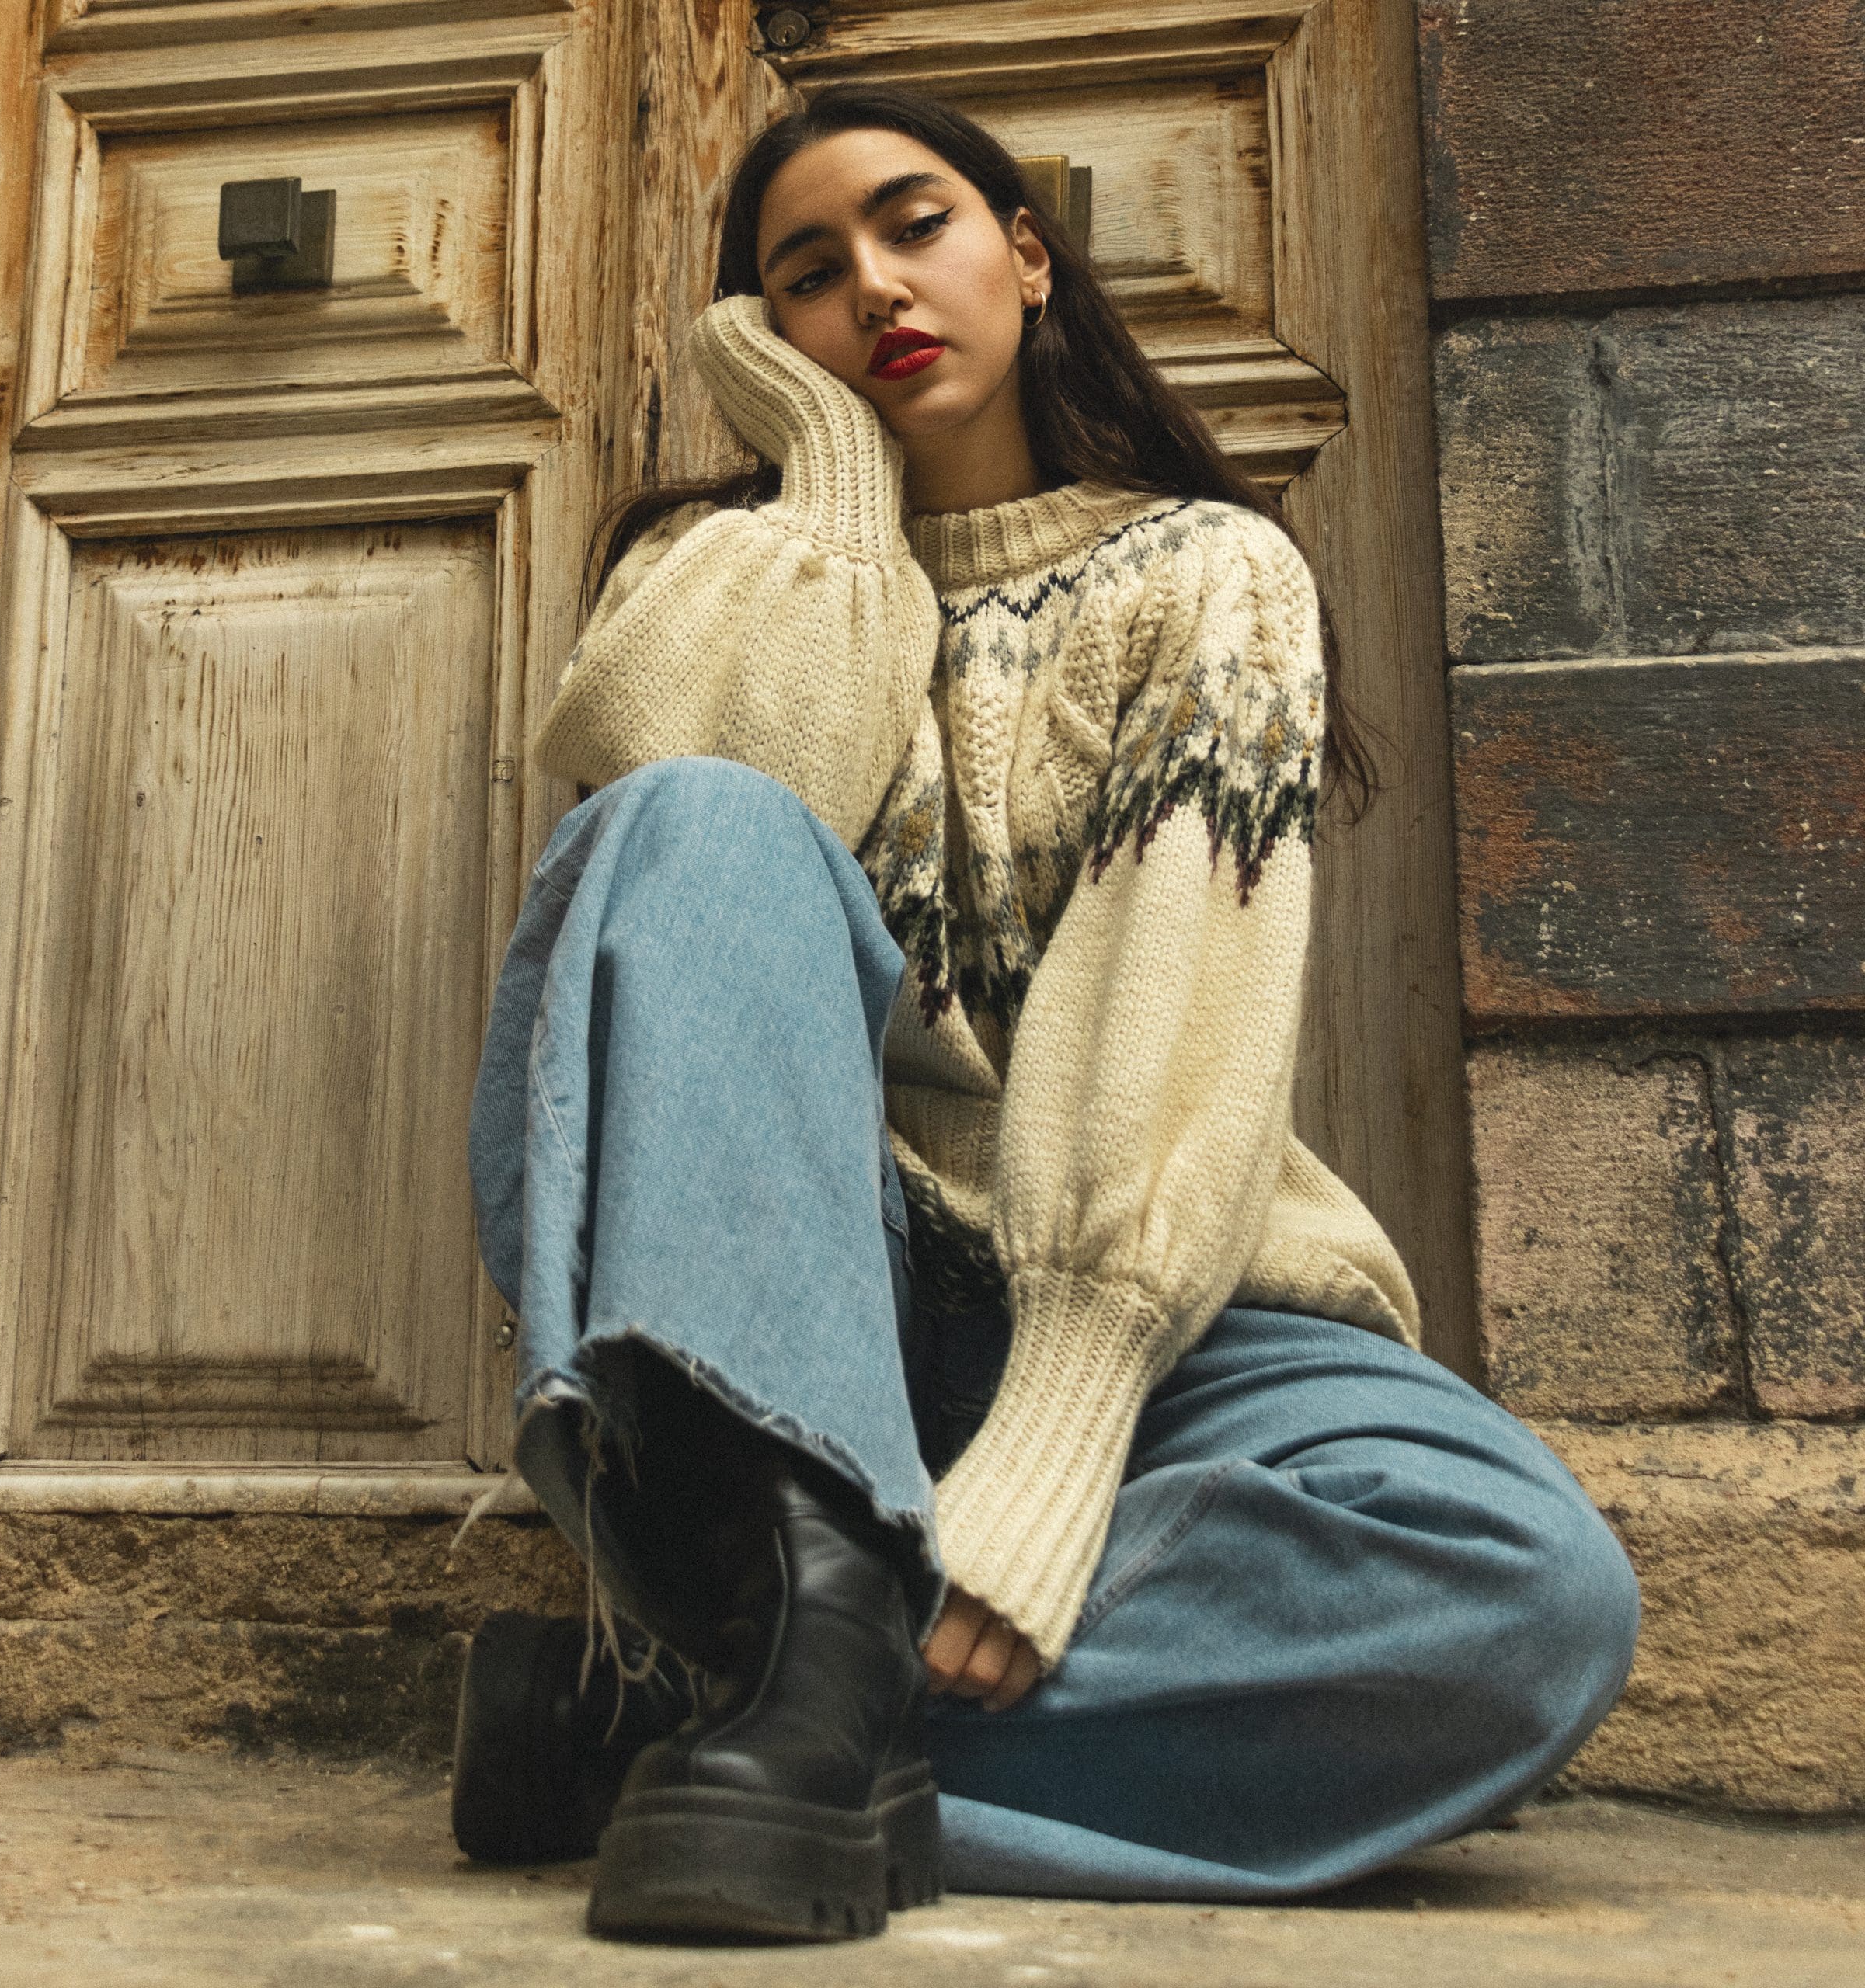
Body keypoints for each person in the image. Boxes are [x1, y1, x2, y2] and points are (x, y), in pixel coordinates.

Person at [461, 82, 1641, 1945]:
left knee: (1526, 1600)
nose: (872, 285)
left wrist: (1062, 1428)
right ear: (764, 333)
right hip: (804, 1307)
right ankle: (800, 1645)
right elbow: (680, 881)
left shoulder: (1205, 571)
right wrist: (830, 480)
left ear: (1024, 254)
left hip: (1157, 1315)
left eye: (913, 223)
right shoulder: (708, 573)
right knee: (689, 818)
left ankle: (723, 1713)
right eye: (804, 273)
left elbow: (1176, 983)